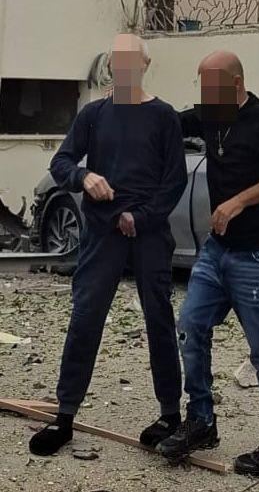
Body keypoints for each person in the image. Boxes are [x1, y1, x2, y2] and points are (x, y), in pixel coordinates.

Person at [29, 35, 187, 456]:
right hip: (102, 233)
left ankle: (170, 414)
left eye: (132, 61)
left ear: (145, 66)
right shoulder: (94, 115)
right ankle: (64, 416)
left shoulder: (164, 116)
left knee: (159, 319)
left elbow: (175, 181)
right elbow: (61, 162)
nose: (124, 68)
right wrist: (84, 177)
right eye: (118, 62)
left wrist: (142, 217)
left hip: (149, 235)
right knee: (85, 318)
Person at [158, 50, 259, 477]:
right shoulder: (212, 115)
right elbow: (171, 121)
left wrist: (238, 201)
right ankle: (201, 420)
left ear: (236, 84)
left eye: (211, 86)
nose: (205, 94)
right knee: (190, 325)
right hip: (217, 251)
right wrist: (132, 101)